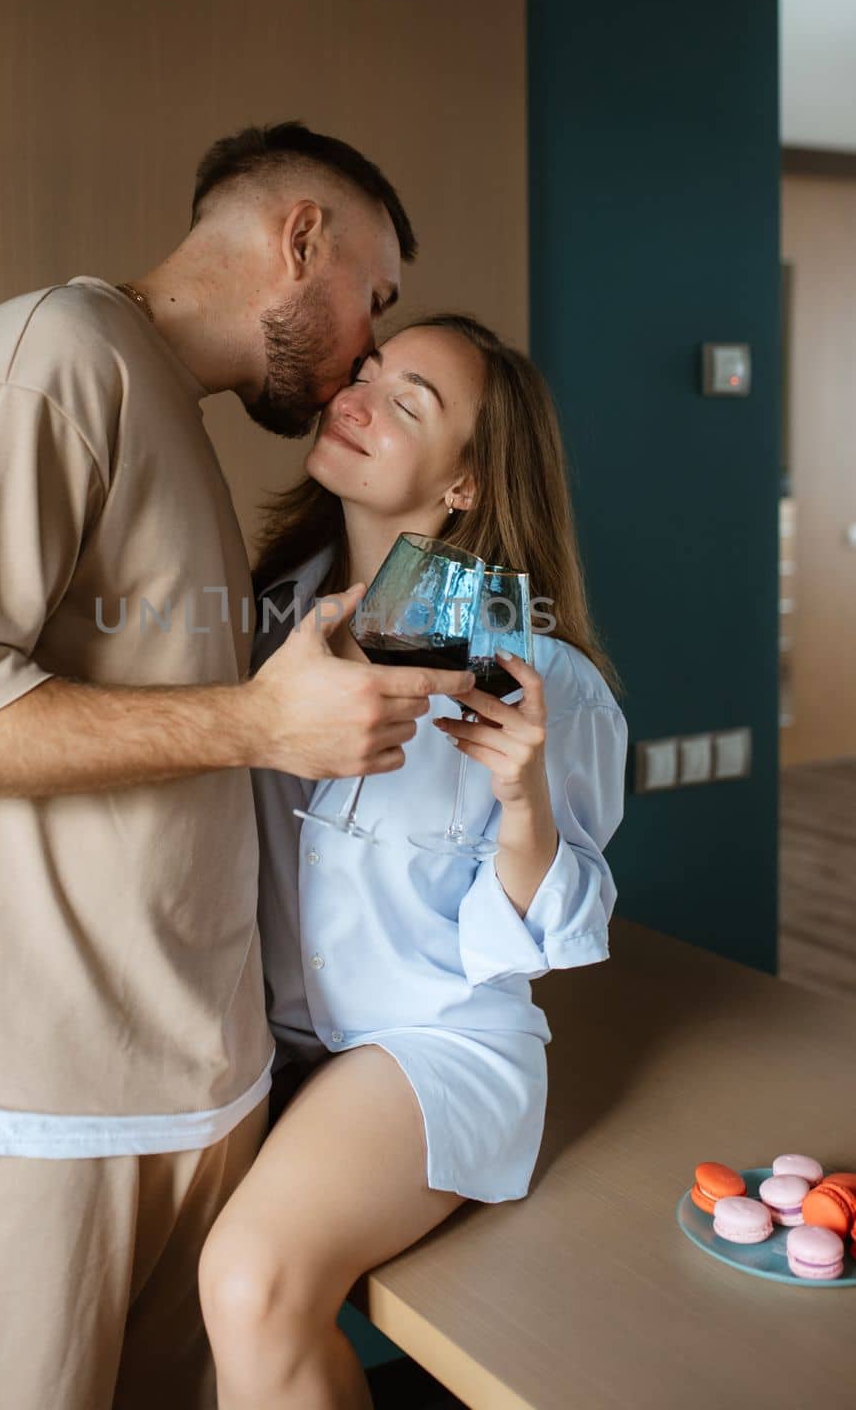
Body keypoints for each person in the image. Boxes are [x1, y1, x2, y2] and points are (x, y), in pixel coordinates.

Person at [0, 122, 478, 1410]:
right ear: (303, 241)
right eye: (375, 297)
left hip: (184, 1094)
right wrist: (259, 724)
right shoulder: (47, 364)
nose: (365, 346)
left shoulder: (168, 414)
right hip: (15, 1100)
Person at [197, 314, 629, 1410]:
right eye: (370, 374)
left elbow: (541, 942)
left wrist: (523, 800)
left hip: (432, 1042)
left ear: (466, 484)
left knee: (250, 1283)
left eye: (409, 403)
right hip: (266, 1039)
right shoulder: (249, 623)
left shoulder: (537, 674)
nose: (358, 397)